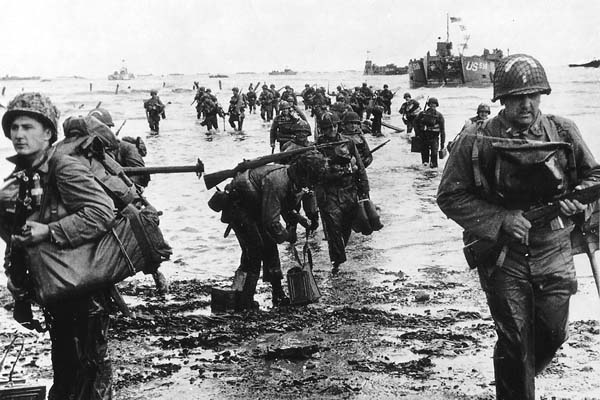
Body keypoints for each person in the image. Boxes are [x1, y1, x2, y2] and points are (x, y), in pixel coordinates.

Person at [437, 54, 600, 400]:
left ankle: (515, 376)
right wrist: (502, 220)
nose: (526, 104)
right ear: (502, 99)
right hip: (503, 255)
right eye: (516, 97)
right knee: (514, 338)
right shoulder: (475, 139)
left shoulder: (564, 130)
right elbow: (450, 196)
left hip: (553, 248)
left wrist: (578, 198)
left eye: (533, 95)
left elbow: (594, 175)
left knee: (553, 333)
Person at [0, 93, 116, 399]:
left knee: (89, 376)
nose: (18, 135)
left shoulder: (64, 167)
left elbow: (102, 212)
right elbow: (18, 239)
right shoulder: (25, 175)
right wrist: (21, 294)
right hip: (55, 290)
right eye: (13, 128)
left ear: (49, 132)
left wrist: (50, 231)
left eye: (27, 126)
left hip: (84, 289)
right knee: (66, 373)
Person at [224, 151, 326, 310]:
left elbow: (281, 207)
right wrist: (287, 235)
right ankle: (243, 298)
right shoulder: (278, 181)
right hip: (240, 208)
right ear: (303, 173)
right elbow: (271, 222)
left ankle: (277, 294)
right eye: (310, 180)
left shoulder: (292, 179)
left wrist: (301, 219)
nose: (310, 185)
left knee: (270, 248)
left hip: (257, 206)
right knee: (254, 251)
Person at [316, 113, 369, 275]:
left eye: (333, 126)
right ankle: (337, 263)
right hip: (329, 193)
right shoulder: (317, 147)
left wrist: (364, 189)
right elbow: (316, 171)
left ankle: (339, 255)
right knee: (333, 229)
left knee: (346, 226)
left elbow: (360, 166)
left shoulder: (348, 142)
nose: (331, 130)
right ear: (321, 129)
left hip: (349, 190)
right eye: (327, 128)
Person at [87, 107, 150, 189]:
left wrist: (120, 186)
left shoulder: (126, 148)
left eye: (99, 130)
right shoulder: (85, 150)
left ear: (108, 129)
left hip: (122, 193)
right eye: (92, 130)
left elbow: (141, 177)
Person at [414, 97, 445, 168]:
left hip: (432, 138)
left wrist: (442, 145)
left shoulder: (438, 116)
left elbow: (442, 131)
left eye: (434, 105)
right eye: (431, 105)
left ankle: (429, 171)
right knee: (427, 157)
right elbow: (415, 123)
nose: (432, 107)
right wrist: (418, 134)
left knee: (431, 156)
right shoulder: (423, 114)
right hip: (425, 137)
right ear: (429, 105)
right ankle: (429, 171)